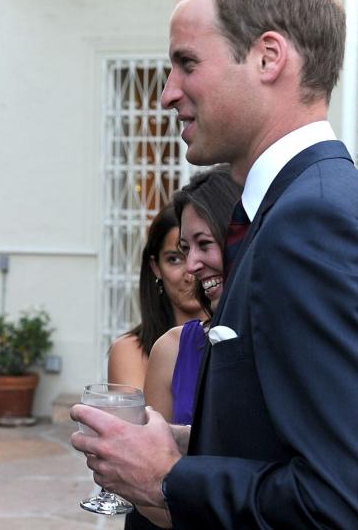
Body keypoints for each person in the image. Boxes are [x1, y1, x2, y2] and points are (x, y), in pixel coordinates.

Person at [71, 0, 358, 529]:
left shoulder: (313, 223)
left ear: (269, 57)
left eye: (186, 63)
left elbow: (353, 506)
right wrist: (195, 444)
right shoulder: (334, 204)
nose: (168, 93)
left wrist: (168, 479)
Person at [130, 167, 239, 530]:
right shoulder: (172, 349)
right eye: (182, 251)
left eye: (204, 244)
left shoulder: (282, 341)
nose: (192, 265)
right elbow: (146, 488)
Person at [107, 202, 203, 391]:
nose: (189, 273)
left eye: (202, 251)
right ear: (156, 267)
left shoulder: (235, 339)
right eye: (174, 259)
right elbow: (139, 421)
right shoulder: (131, 351)